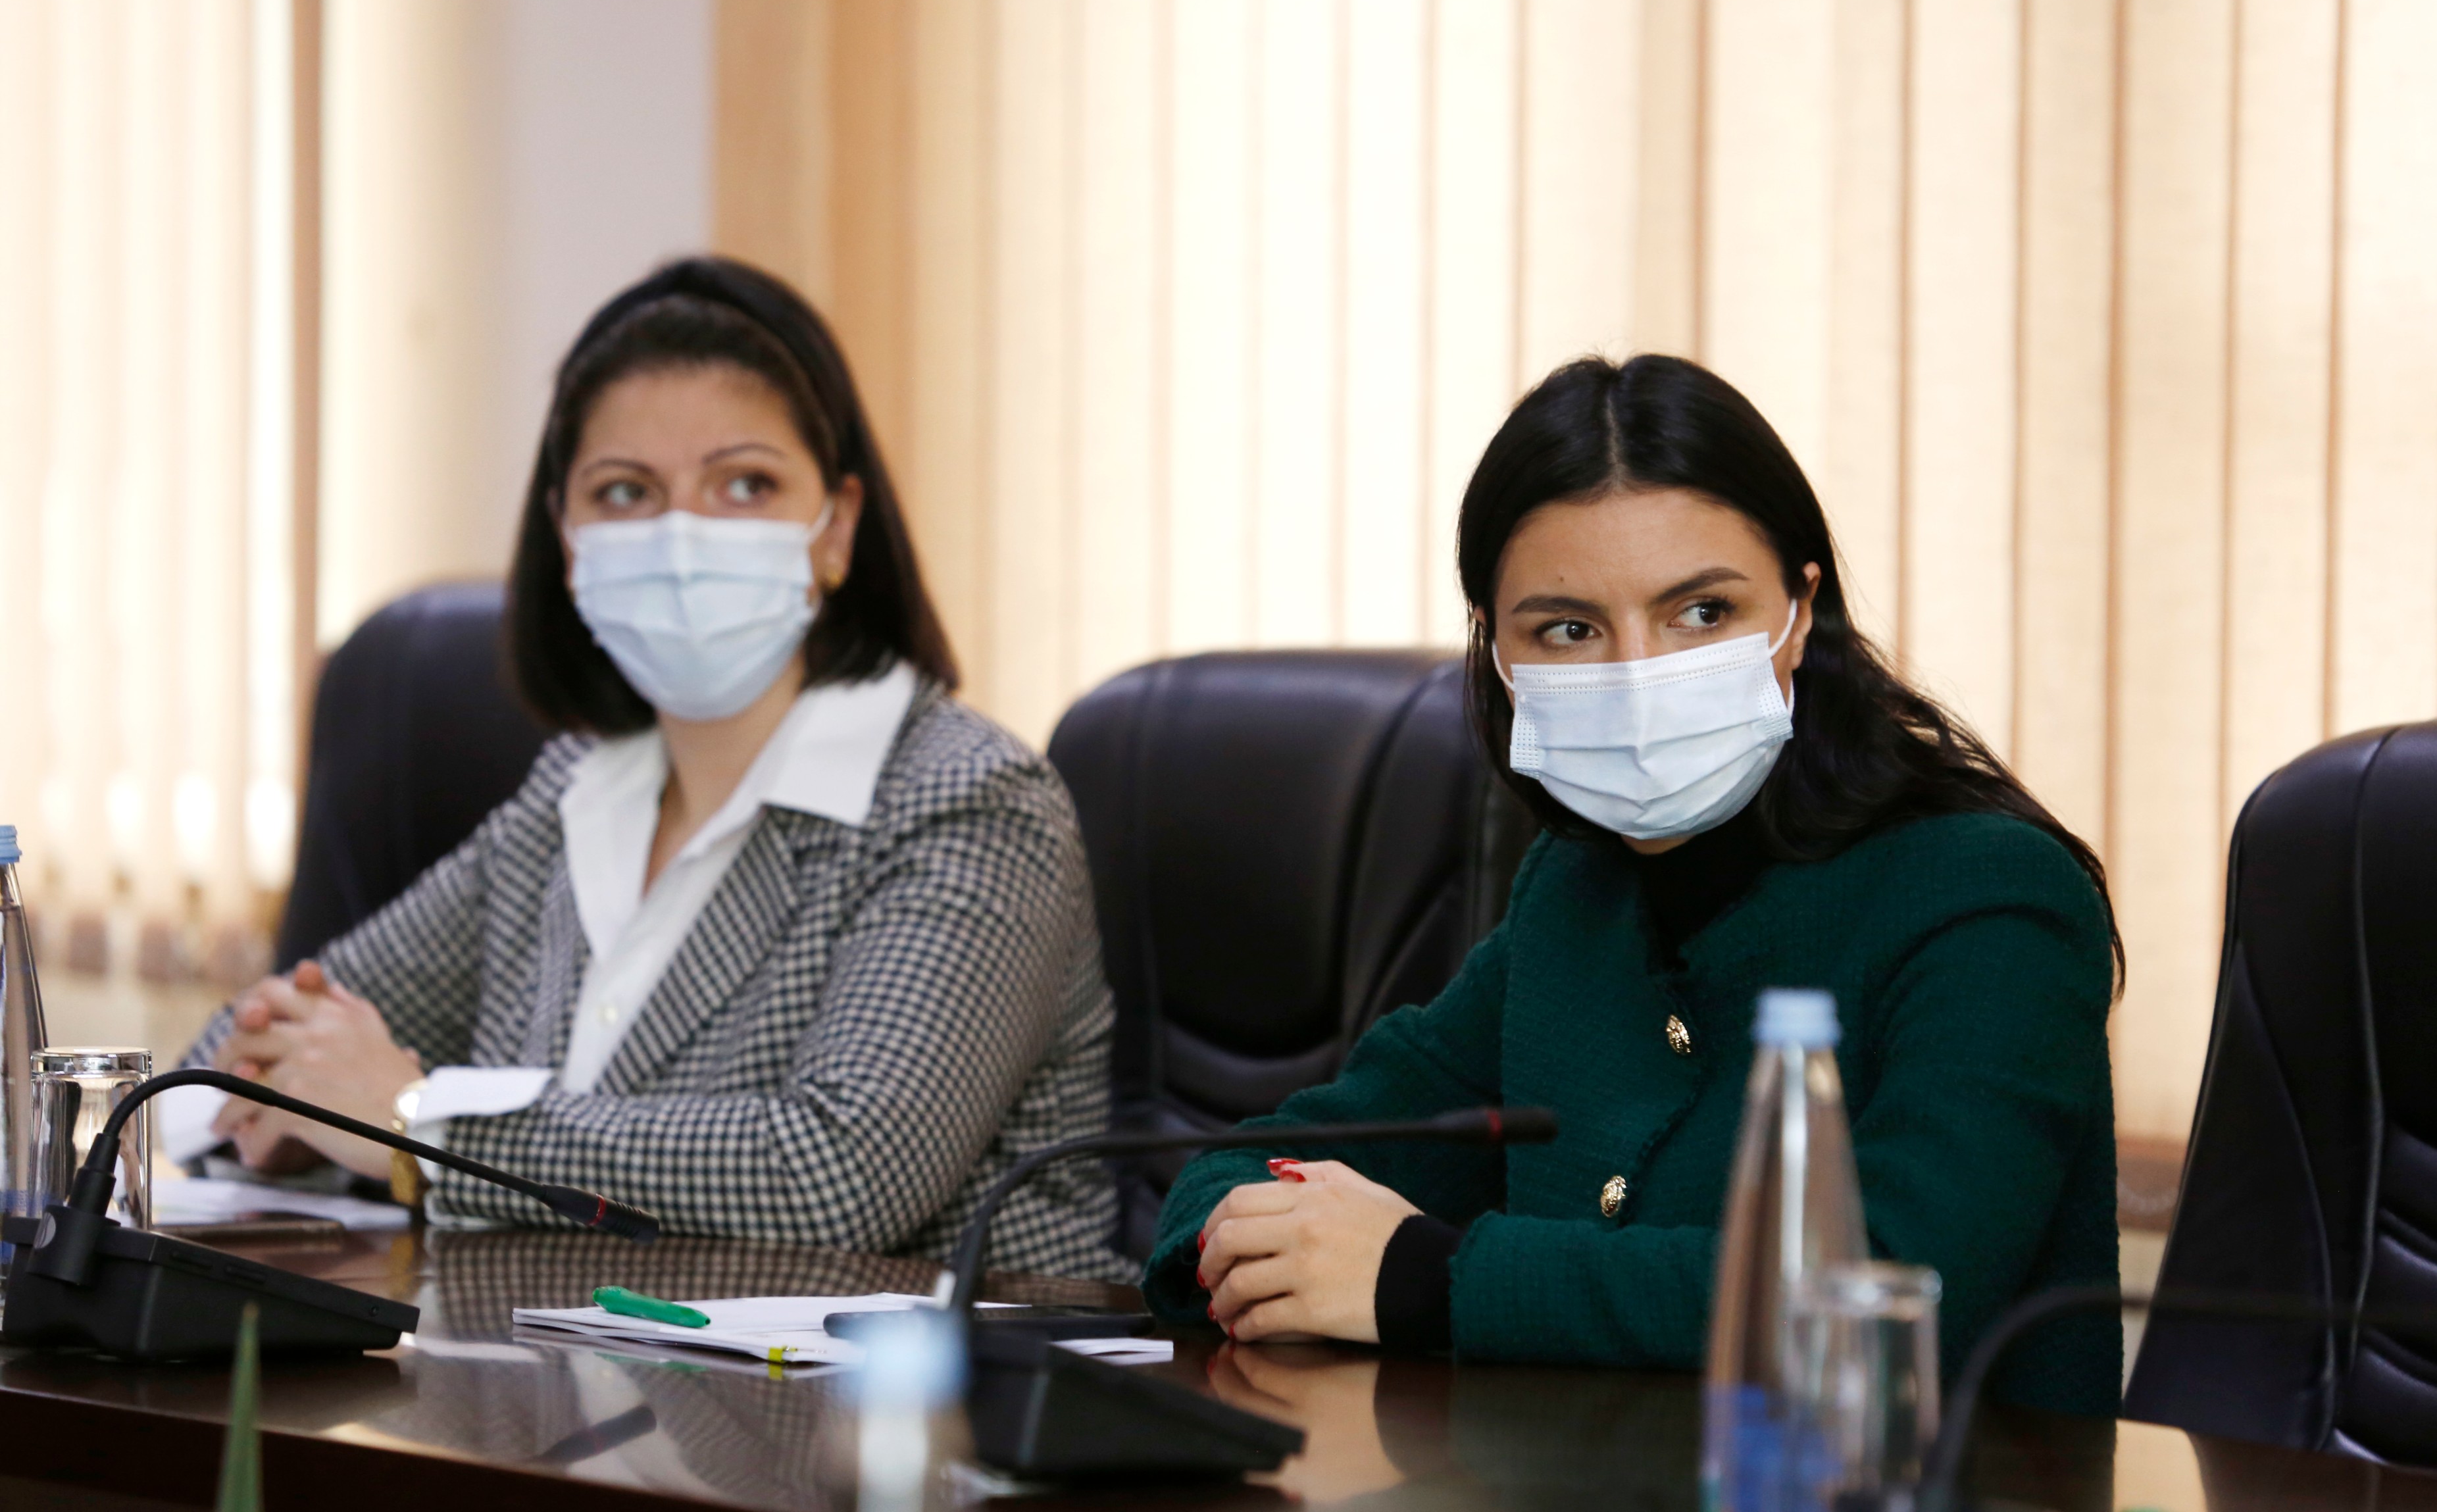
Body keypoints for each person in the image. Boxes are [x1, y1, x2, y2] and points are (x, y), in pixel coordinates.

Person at [1145, 354, 2122, 1413]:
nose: (1638, 674)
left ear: (1801, 609)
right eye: (1568, 630)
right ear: (1499, 655)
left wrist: (1427, 1278)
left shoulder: (1992, 898)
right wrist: (1267, 1243)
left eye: (1701, 612)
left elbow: (1894, 1294)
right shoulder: (1576, 891)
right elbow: (1243, 1178)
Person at [181, 256, 1118, 1276]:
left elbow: (835, 1173)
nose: (681, 537)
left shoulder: (971, 802)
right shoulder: (574, 792)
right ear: (568, 542)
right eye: (626, 492)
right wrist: (278, 1108)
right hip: (547, 1361)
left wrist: (418, 1124)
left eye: (745, 484)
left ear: (837, 528)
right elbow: (254, 1045)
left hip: (921, 1373)